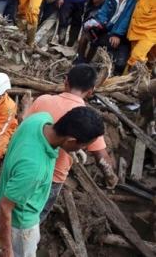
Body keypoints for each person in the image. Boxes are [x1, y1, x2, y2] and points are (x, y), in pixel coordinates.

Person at [0, 106, 105, 257]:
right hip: (20, 223)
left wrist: (72, 149)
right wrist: (7, 250)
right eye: (83, 146)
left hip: (5, 193)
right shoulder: (34, 169)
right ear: (71, 140)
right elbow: (4, 208)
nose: (83, 149)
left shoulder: (39, 119)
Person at [20, 64, 118, 223]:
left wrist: (25, 108)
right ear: (91, 91)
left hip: (27, 164)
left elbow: (24, 125)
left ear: (66, 81)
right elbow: (101, 158)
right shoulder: (87, 119)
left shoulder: (43, 100)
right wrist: (111, 177)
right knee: (36, 214)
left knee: (16, 203)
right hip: (54, 176)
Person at [76, 0, 138, 75]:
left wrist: (117, 34)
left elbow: (126, 20)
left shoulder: (134, 0)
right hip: (107, 28)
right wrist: (102, 24)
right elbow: (103, 12)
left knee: (120, 63)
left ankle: (113, 76)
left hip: (122, 35)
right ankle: (82, 61)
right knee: (87, 36)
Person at [124, 0, 156, 74]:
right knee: (145, 59)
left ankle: (131, 81)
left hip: (151, 34)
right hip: (135, 31)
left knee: (136, 57)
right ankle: (138, 83)